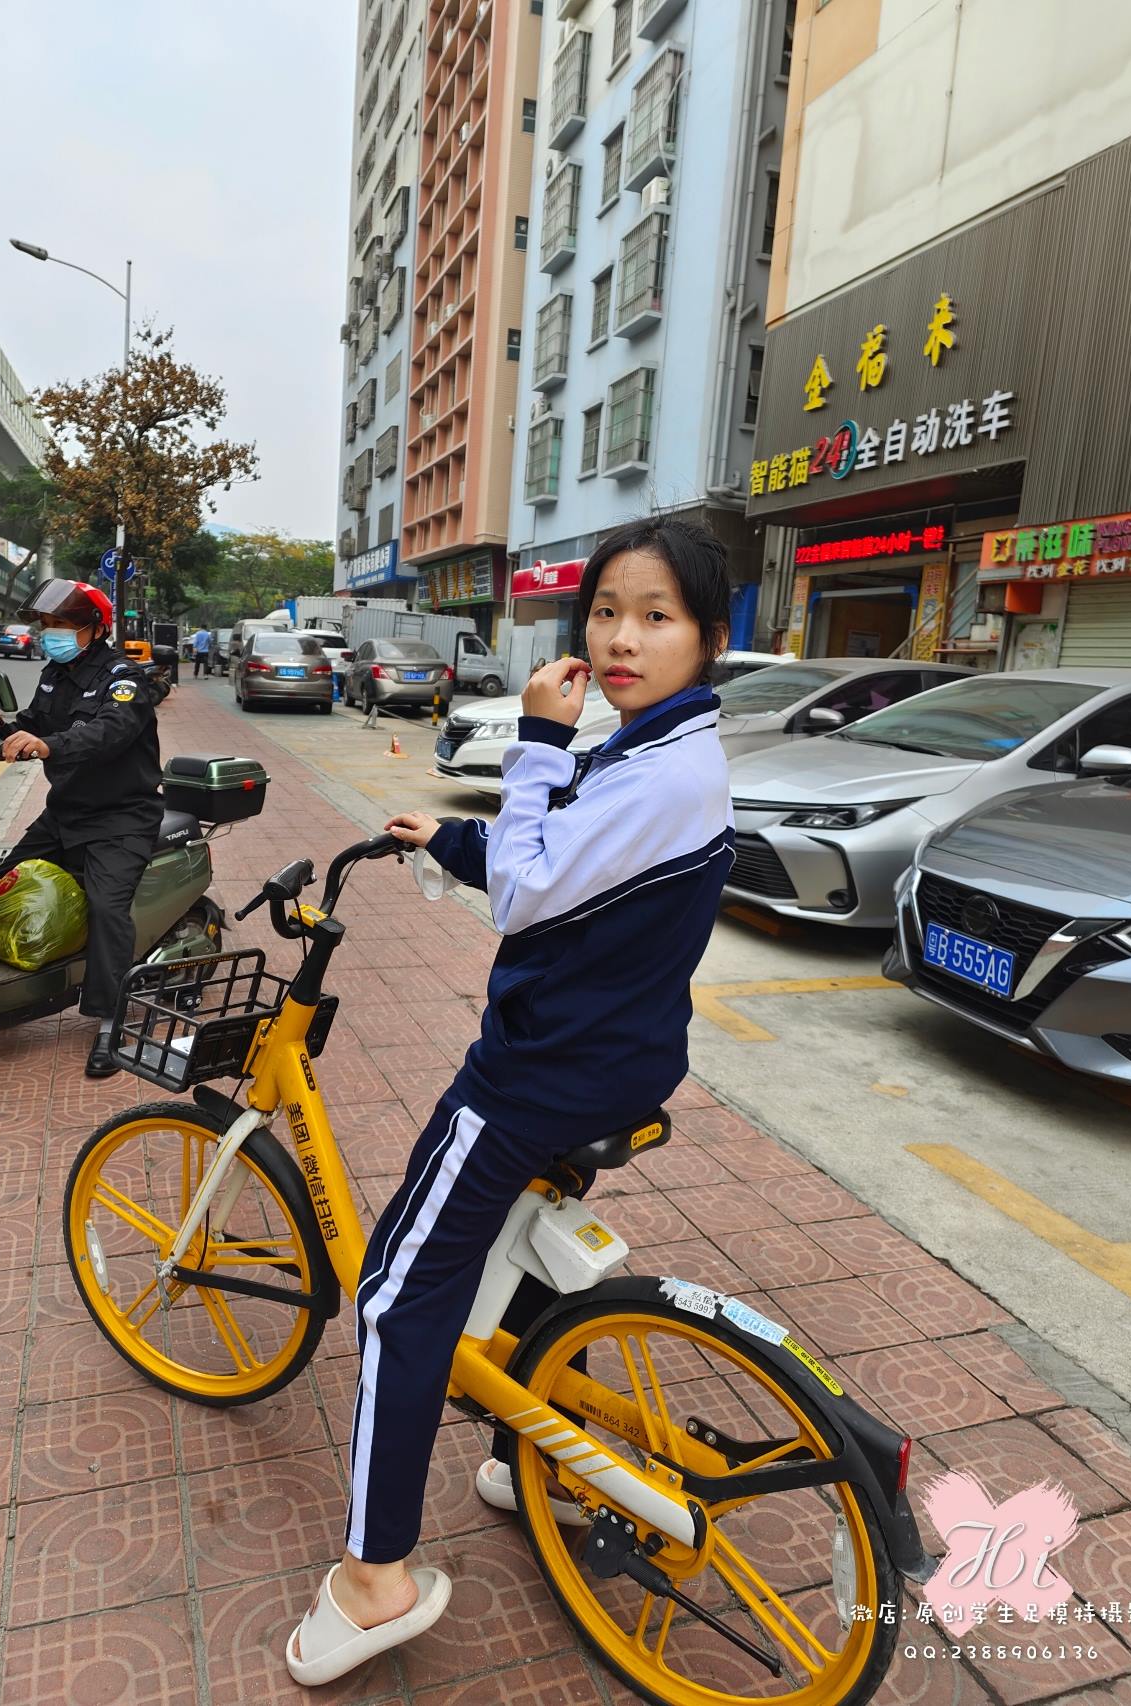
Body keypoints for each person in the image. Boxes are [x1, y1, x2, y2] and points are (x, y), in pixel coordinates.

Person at [286, 516, 736, 1686]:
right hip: (614, 1058)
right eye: (605, 611)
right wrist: (448, 831)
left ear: (709, 635)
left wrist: (537, 735)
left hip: (536, 1075)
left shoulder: (662, 762)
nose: (622, 638)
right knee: (519, 1255)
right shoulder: (655, 749)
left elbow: (531, 892)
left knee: (392, 1294)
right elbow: (574, 860)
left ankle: (376, 1573)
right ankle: (529, 1445)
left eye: (655, 615)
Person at [0, 579, 164, 1079]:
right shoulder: (54, 674)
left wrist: (49, 747)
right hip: (67, 811)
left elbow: (110, 732)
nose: (50, 634)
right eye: (46, 625)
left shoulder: (124, 678)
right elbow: (33, 721)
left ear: (94, 629)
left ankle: (110, 1021)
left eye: (61, 625)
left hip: (122, 817)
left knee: (107, 907)